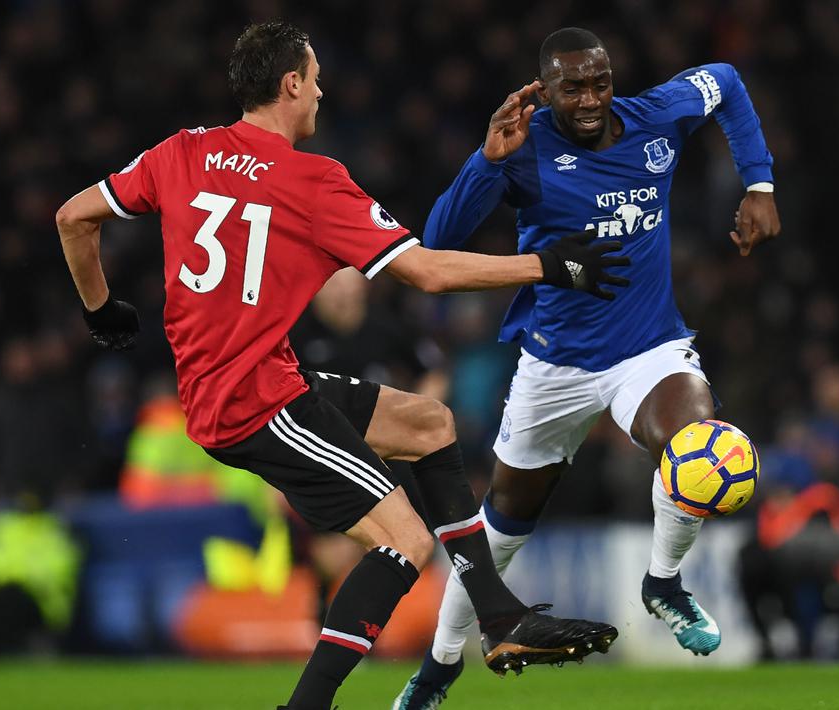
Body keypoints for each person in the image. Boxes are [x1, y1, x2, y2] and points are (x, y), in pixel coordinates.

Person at [55, 21, 625, 710]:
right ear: (291, 83)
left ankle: (499, 619)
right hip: (255, 402)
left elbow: (72, 218)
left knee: (427, 422)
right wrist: (548, 265)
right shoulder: (312, 181)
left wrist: (102, 309)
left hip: (248, 382)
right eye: (315, 77)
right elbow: (426, 272)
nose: (322, 91)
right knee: (404, 542)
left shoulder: (182, 152)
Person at [393, 27, 781, 708]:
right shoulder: (525, 147)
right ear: (546, 88)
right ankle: (437, 669)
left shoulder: (654, 116)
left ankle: (662, 583)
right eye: (573, 86)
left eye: (599, 82)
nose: (590, 98)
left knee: (698, 446)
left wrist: (758, 182)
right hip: (553, 367)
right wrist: (486, 162)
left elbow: (723, 78)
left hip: (648, 352)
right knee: (501, 531)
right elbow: (439, 242)